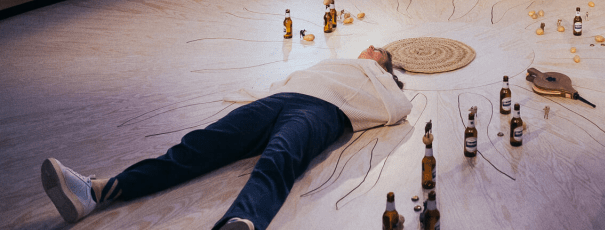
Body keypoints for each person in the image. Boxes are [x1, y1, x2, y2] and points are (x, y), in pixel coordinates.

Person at [40, 45, 412, 230]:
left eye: (375, 49)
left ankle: (242, 222)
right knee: (199, 145)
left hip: (319, 111)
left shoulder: (378, 79)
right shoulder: (335, 63)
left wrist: (385, 77)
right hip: (276, 101)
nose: (368, 47)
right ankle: (96, 191)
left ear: (381, 60)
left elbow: (400, 108)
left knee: (279, 161)